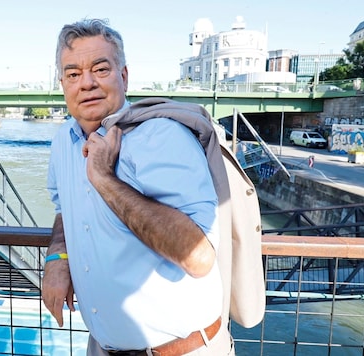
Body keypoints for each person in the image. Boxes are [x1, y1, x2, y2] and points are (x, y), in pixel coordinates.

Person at [42, 18, 264, 356]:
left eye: (100, 69)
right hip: (103, 347)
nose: (86, 83)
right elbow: (64, 209)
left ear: (124, 76)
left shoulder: (162, 136)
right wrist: (59, 257)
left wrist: (104, 179)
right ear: (62, 83)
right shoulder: (63, 142)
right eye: (73, 74)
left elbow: (198, 256)